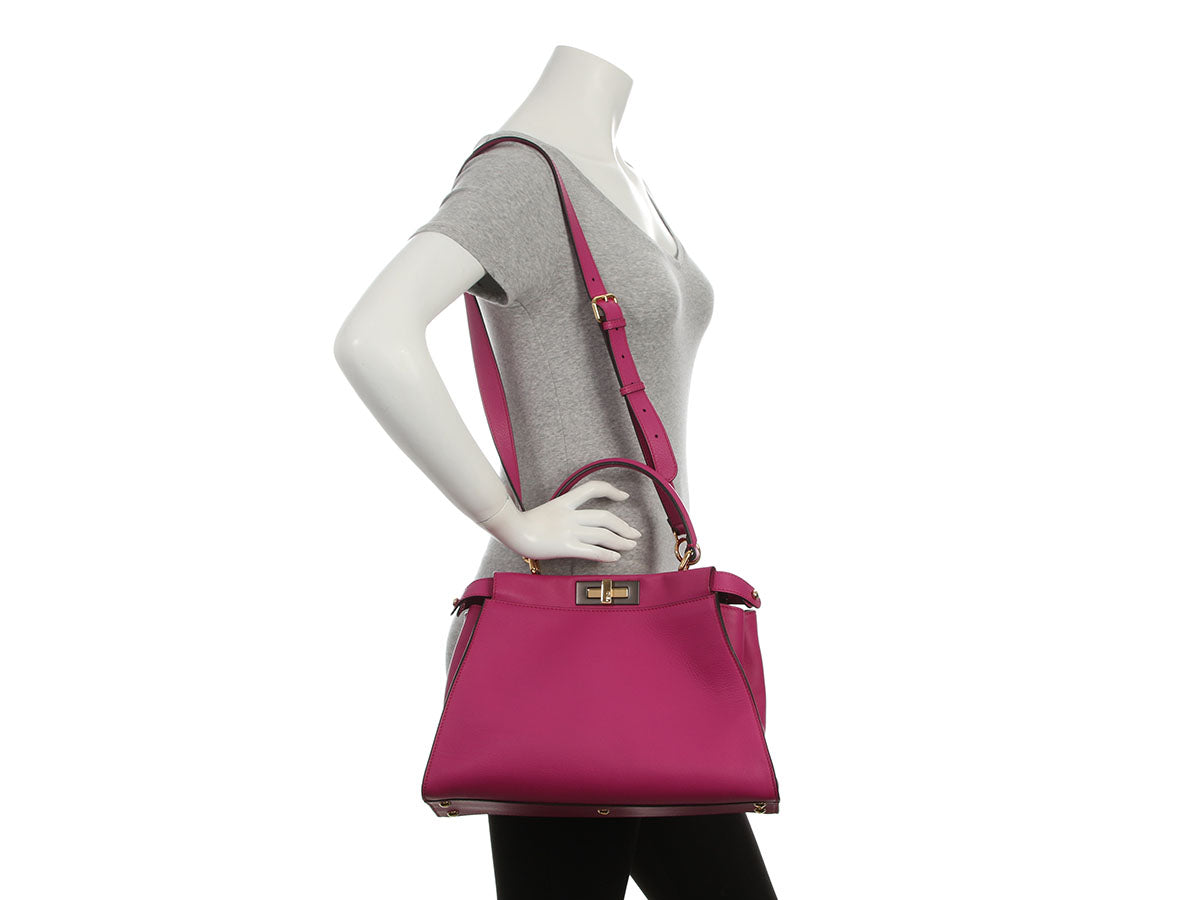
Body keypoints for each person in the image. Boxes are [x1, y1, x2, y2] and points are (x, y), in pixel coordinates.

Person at [334, 43, 777, 899]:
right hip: (566, 628)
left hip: (654, 623)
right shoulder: (523, 178)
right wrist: (510, 520)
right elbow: (372, 336)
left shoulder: (622, 177)